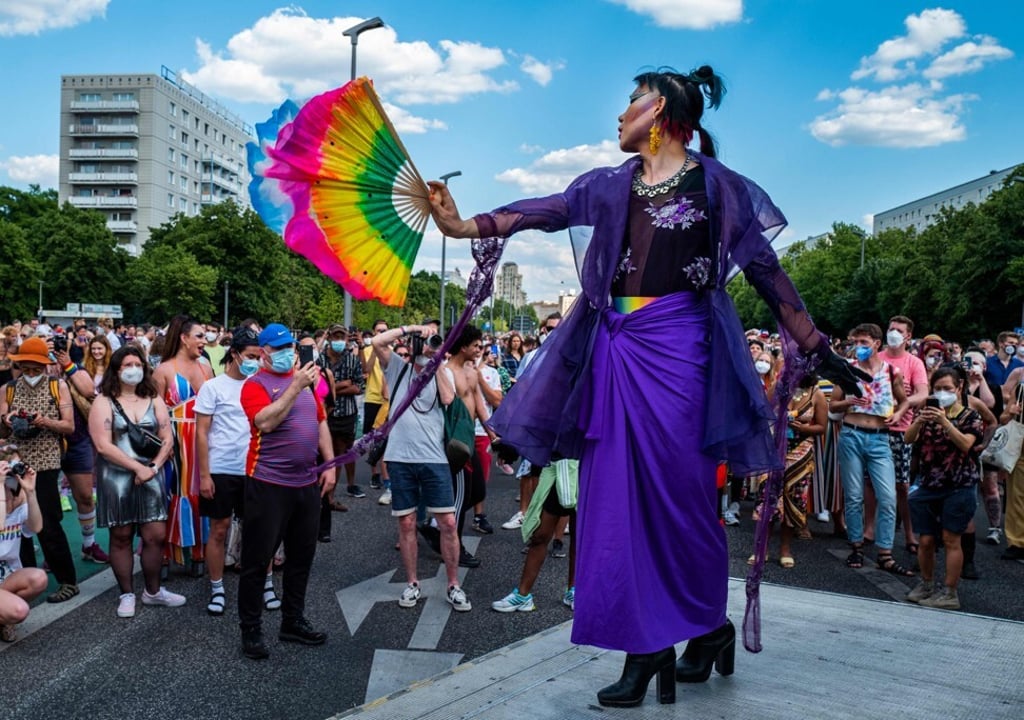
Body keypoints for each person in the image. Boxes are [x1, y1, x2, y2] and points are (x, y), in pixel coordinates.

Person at [427, 65, 864, 708]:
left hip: (682, 352)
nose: (619, 114)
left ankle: (705, 626)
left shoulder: (717, 185)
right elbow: (542, 211)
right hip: (616, 351)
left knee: (683, 501)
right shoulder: (608, 186)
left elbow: (765, 269)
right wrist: (465, 227)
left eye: (629, 102)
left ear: (659, 110)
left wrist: (815, 345)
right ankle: (646, 645)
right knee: (612, 505)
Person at [237, 323, 336, 659]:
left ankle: (292, 621)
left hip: (306, 483)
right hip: (268, 483)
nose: (285, 354)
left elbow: (320, 420)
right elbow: (264, 422)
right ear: (263, 352)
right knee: (257, 560)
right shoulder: (256, 385)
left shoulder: (308, 381)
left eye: (289, 347)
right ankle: (250, 629)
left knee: (301, 557)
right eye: (277, 348)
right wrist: (294, 386)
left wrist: (331, 463)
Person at [371, 323, 471, 613]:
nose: (427, 346)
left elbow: (449, 398)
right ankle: (413, 582)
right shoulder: (398, 367)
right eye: (423, 344)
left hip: (434, 457)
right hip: (400, 457)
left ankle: (453, 584)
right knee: (407, 522)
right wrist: (412, 329)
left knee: (448, 523)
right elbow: (378, 341)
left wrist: (436, 356)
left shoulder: (442, 371)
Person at [89, 346, 184, 617]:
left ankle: (153, 592)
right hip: (116, 477)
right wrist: (136, 468)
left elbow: (168, 438)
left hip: (150, 475)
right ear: (116, 370)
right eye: (127, 364)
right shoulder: (103, 401)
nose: (134, 368)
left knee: (155, 535)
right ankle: (127, 593)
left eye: (138, 363)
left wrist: (152, 467)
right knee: (121, 536)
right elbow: (103, 445)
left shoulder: (153, 398)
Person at [196, 328, 280, 616]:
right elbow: (201, 434)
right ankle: (217, 589)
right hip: (221, 470)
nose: (255, 362)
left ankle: (267, 585)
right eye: (251, 356)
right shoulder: (213, 387)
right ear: (234, 354)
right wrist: (204, 475)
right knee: (219, 529)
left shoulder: (262, 385)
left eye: (259, 356)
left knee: (260, 531)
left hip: (257, 468)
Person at [1, 337, 79, 603]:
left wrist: (42, 421)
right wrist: (7, 419)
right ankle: (22, 580)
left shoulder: (58, 386)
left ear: (45, 366)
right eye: (26, 368)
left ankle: (67, 581)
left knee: (47, 523)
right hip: (14, 462)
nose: (31, 374)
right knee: (14, 523)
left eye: (37, 368)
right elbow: (1, 429)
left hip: (45, 463)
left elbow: (69, 427)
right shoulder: (8, 390)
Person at [830, 323, 912, 577]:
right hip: (852, 434)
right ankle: (856, 546)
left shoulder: (891, 372)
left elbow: (905, 400)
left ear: (877, 343)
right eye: (856, 343)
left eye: (864, 343)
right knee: (854, 495)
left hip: (879, 437)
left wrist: (898, 414)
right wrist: (849, 401)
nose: (860, 348)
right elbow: (833, 406)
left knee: (887, 496)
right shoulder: (848, 371)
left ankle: (885, 552)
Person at [904, 367, 985, 609]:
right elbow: (908, 439)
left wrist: (945, 422)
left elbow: (965, 445)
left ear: (959, 388)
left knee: (951, 538)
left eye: (947, 389)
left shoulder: (971, 417)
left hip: (959, 484)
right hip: (929, 483)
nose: (942, 393)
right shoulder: (927, 412)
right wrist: (920, 420)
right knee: (926, 539)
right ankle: (926, 584)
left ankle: (950, 592)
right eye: (937, 389)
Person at [153, 315, 213, 572]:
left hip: (205, 438)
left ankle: (200, 552)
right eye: (199, 336)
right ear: (183, 338)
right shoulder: (163, 370)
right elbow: (155, 414)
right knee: (173, 494)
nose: (204, 340)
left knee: (204, 492)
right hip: (175, 441)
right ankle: (166, 554)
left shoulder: (206, 368)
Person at [0, 457, 47, 642]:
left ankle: (3, 620)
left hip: (7, 575)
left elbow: (36, 527)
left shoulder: (18, 501)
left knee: (38, 578)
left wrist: (30, 491)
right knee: (18, 609)